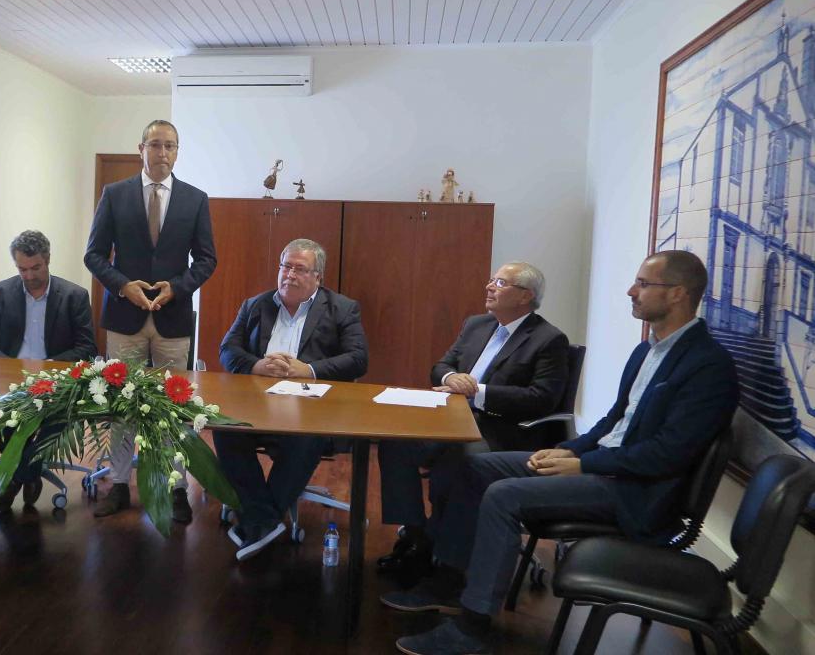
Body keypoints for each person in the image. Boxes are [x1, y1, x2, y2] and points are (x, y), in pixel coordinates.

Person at [384, 250, 739, 655]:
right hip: (605, 466)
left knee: (502, 495)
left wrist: (584, 462)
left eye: (643, 284)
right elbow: (613, 422)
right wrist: (565, 450)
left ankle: (473, 626)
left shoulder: (707, 366)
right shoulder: (648, 351)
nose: (631, 291)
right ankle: (449, 578)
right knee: (476, 470)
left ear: (677, 293)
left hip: (635, 489)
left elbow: (666, 455)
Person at [376, 262, 569, 579]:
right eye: (492, 280)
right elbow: (441, 366)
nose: (489, 287)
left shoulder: (548, 339)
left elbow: (541, 398)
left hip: (498, 429)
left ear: (525, 296)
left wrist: (479, 392)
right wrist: (451, 377)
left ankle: (447, 559)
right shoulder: (477, 324)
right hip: (449, 415)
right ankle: (416, 533)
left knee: (455, 459)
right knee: (395, 441)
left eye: (501, 283)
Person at [84, 119, 217, 523]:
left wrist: (177, 288)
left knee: (173, 408)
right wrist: (123, 286)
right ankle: (119, 484)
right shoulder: (115, 194)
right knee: (122, 406)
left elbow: (207, 260)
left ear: (177, 152)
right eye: (155, 145)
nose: (162, 153)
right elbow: (94, 255)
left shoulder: (195, 199)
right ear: (141, 149)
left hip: (172, 319)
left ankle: (176, 489)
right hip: (124, 316)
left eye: (170, 146)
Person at [215, 239, 368, 560]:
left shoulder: (342, 308)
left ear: (318, 277)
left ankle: (257, 521)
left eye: (300, 269)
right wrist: (257, 365)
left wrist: (308, 369)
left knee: (307, 436)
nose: (290, 275)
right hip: (257, 406)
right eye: (285, 266)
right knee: (225, 429)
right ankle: (263, 519)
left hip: (312, 408)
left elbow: (358, 358)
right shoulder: (256, 305)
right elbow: (227, 349)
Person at [0, 230, 97, 510]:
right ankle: (28, 474)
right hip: (10, 381)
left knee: (57, 422)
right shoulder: (0, 293)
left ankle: (16, 478)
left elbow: (87, 348)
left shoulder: (74, 296)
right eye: (22, 269)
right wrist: (12, 367)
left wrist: (49, 366)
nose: (29, 276)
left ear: (48, 259)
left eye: (35, 268)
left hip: (56, 383)